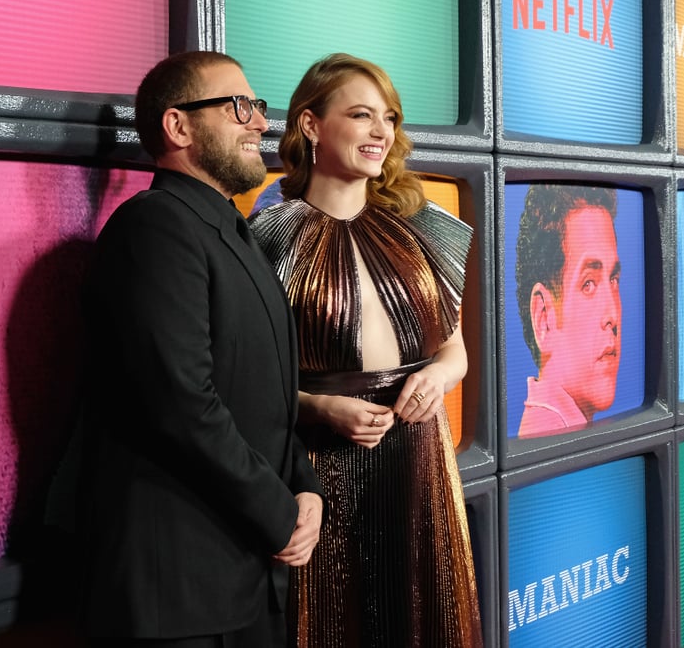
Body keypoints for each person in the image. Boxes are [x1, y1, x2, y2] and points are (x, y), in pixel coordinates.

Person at [75, 51, 323, 648]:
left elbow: (264, 393)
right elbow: (182, 402)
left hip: (246, 575)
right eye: (238, 107)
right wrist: (280, 513)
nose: (260, 123)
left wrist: (304, 485)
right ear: (178, 126)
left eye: (257, 108)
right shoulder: (155, 227)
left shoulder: (230, 231)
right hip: (179, 596)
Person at [249, 53, 483, 647]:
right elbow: (242, 382)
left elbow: (454, 352)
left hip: (418, 459)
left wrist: (442, 379)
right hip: (320, 467)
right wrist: (319, 409)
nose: (382, 132)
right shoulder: (268, 238)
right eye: (360, 115)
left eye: (389, 118)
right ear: (310, 126)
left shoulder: (421, 230)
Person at [515, 184, 622, 438]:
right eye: (588, 284)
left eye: (614, 280)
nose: (613, 316)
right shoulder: (544, 441)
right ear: (544, 319)